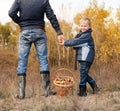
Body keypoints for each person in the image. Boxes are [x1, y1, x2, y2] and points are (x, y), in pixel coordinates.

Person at [8, 0, 64, 99]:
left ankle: (21, 94)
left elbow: (11, 13)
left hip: (25, 32)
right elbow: (51, 16)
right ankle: (47, 91)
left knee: (22, 61)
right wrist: (58, 32)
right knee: (43, 60)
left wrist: (21, 23)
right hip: (39, 31)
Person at [60, 17, 100, 97]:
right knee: (84, 73)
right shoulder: (82, 35)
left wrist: (65, 43)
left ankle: (82, 91)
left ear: (89, 27)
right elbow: (75, 42)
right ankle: (95, 87)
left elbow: (76, 41)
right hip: (83, 58)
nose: (83, 27)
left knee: (83, 73)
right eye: (81, 26)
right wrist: (66, 41)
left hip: (86, 58)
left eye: (85, 26)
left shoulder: (87, 36)